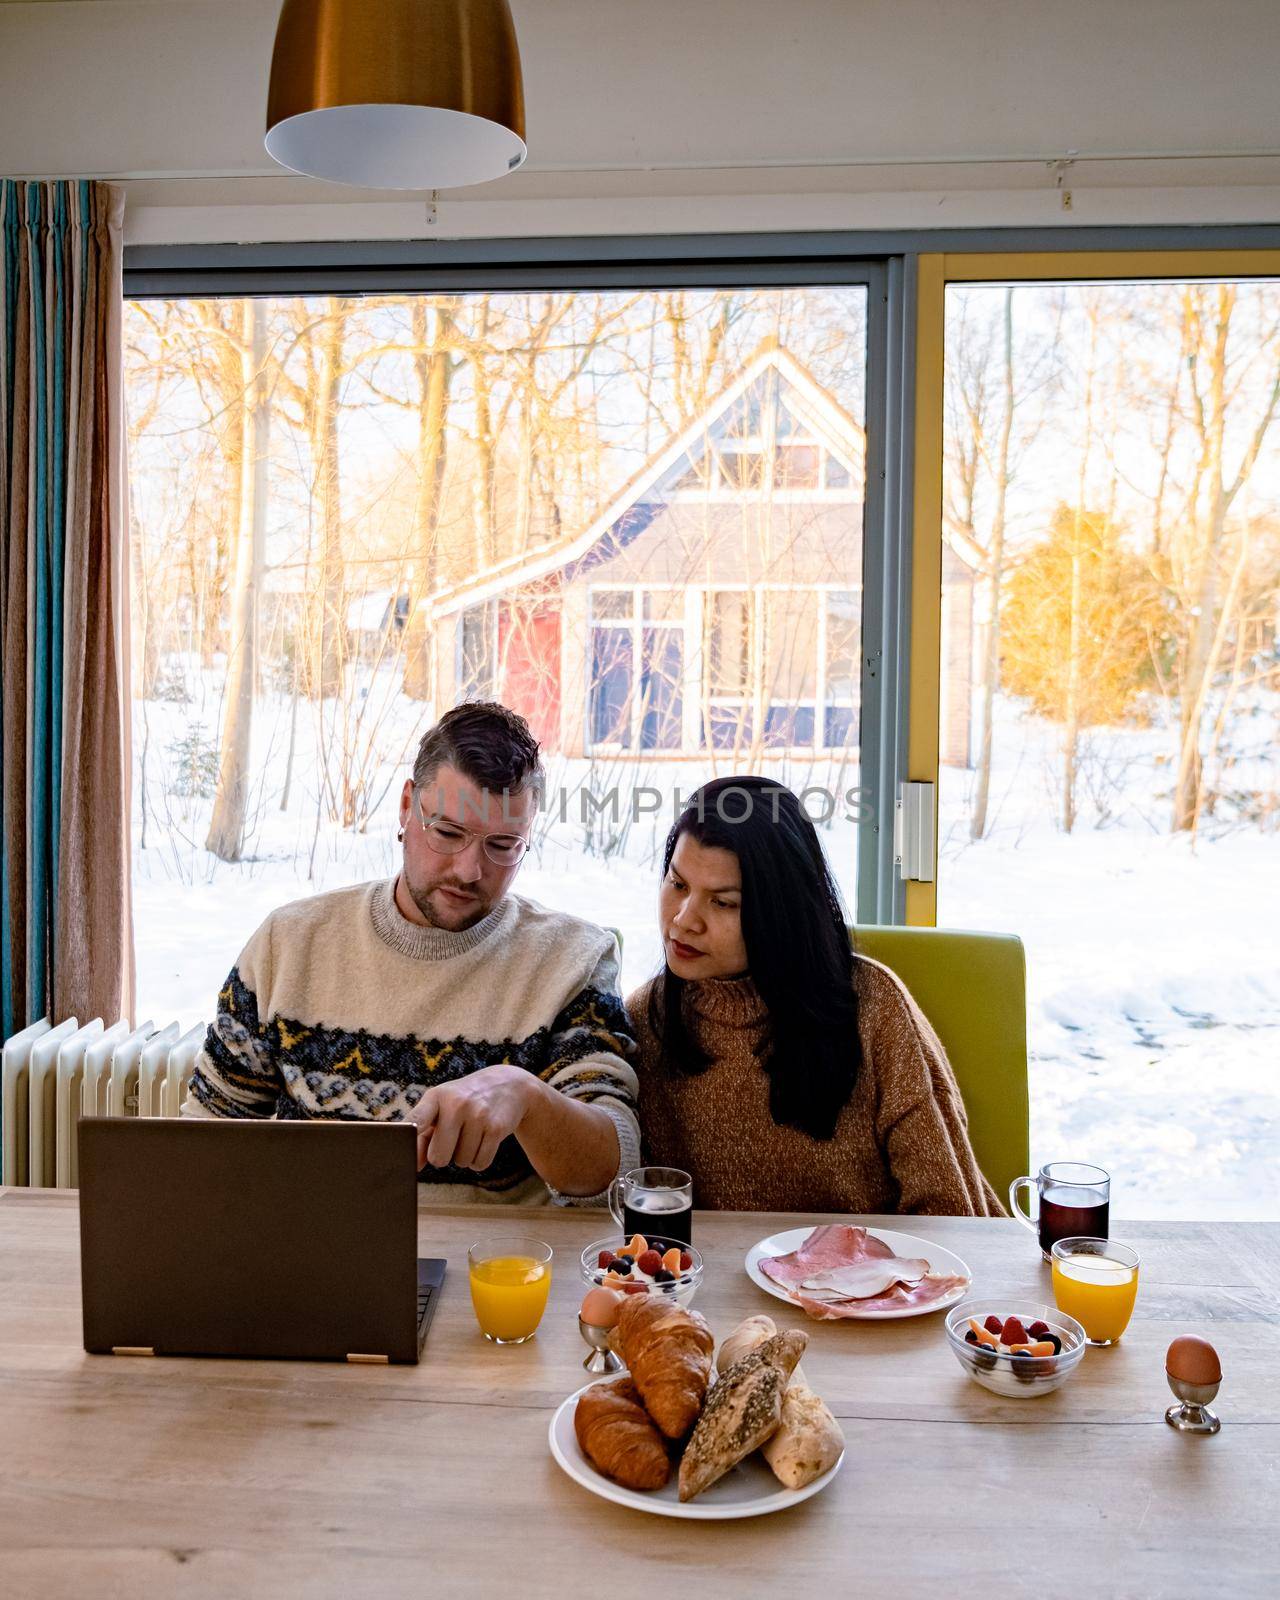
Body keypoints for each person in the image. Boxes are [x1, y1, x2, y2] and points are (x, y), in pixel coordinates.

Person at [183, 702, 639, 1205]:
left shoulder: (572, 960)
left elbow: (611, 1175)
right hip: (319, 1259)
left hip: (494, 1272)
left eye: (503, 846)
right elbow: (203, 1143)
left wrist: (525, 1095)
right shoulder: (288, 945)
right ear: (406, 806)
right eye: (447, 833)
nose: (469, 870)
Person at [625, 776, 1001, 1216]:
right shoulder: (645, 1020)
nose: (684, 920)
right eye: (678, 884)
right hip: (714, 1282)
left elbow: (949, 1211)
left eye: (723, 902)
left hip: (882, 1278)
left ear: (780, 911)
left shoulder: (873, 1008)